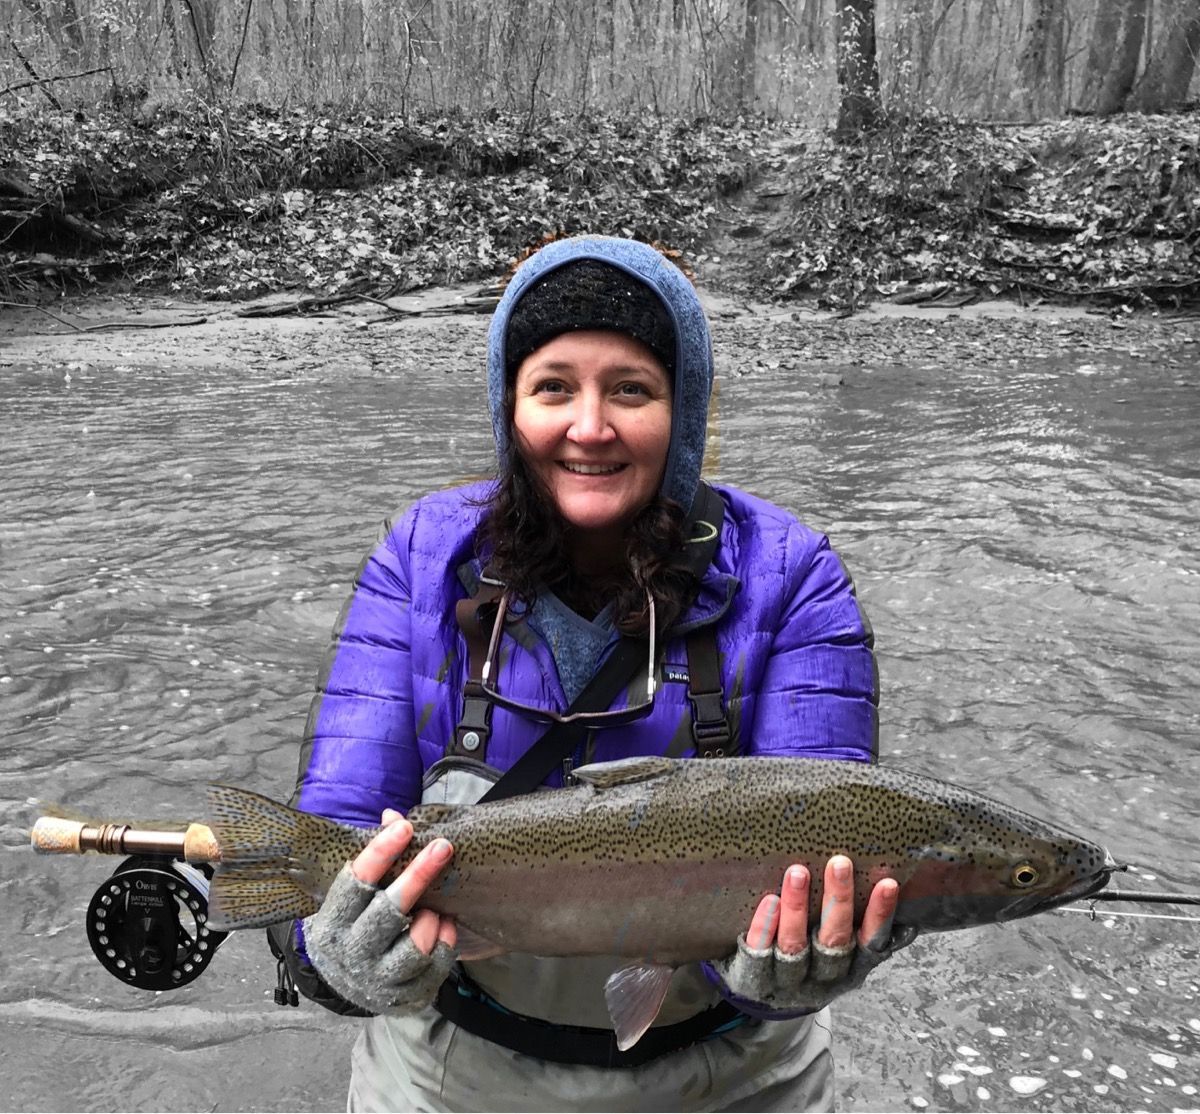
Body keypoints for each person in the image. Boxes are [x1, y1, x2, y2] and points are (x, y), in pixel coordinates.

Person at [269, 234, 911, 1112]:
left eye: (632, 390)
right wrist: (329, 956)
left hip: (736, 1082)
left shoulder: (791, 573)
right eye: (554, 387)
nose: (590, 426)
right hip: (451, 1073)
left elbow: (837, 826)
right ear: (509, 406)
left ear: (682, 415)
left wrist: (790, 974)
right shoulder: (422, 554)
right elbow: (334, 826)